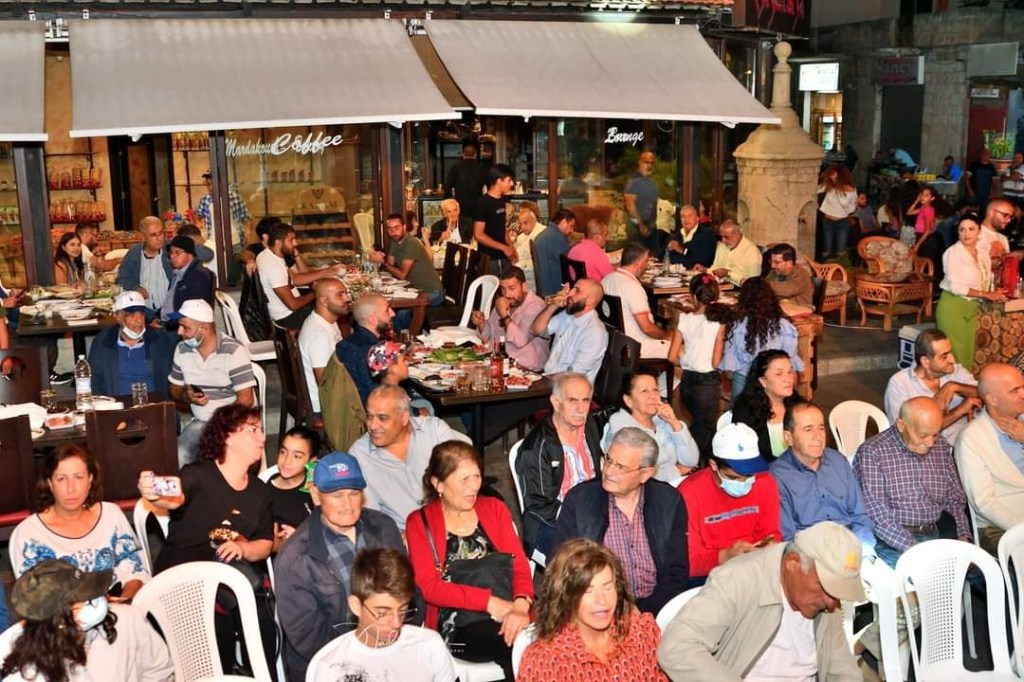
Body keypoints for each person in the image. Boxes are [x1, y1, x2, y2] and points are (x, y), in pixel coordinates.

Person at [657, 521, 865, 681]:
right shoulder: (737, 580)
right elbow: (677, 647)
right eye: (824, 587)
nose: (831, 603)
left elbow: (841, 668)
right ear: (792, 563)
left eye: (837, 592)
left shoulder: (825, 600)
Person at [274, 451, 407, 680]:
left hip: (391, 647)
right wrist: (368, 657)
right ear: (316, 496)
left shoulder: (383, 527)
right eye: (336, 495)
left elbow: (411, 594)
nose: (347, 505)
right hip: (331, 665)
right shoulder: (295, 558)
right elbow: (309, 638)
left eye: (354, 493)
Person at [405, 440, 534, 677]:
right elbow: (429, 587)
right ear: (438, 484)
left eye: (476, 476)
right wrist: (489, 602)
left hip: (509, 609)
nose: (474, 486)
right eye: (464, 479)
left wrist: (520, 606)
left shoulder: (494, 508)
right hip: (457, 627)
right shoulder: (419, 523)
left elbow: (519, 566)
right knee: (516, 643)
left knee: (545, 636)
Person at [552, 427, 688, 615]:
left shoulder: (669, 501)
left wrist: (645, 613)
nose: (609, 471)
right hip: (599, 609)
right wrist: (616, 610)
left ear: (645, 474)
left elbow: (676, 573)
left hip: (658, 608)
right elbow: (562, 565)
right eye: (608, 460)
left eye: (621, 467)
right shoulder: (580, 500)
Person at [10, 445, 149, 600]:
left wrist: (123, 600)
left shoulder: (111, 515)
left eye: (78, 477)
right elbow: (34, 599)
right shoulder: (29, 534)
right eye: (61, 479)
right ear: (49, 483)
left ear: (90, 480)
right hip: (62, 614)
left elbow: (135, 571)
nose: (71, 489)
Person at [518, 539, 668, 682]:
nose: (602, 601)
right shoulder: (545, 661)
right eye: (588, 591)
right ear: (567, 596)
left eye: (607, 587)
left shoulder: (640, 632)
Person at [1, 559, 173, 682]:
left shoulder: (128, 620)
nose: (99, 598)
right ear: (59, 618)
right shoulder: (20, 665)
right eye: (84, 599)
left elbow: (159, 671)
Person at [306, 547, 457, 682]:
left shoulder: (430, 645)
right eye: (382, 613)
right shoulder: (330, 666)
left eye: (403, 610)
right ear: (356, 606)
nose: (396, 623)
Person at [854, 397, 972, 568]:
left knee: (984, 573)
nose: (931, 443)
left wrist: (963, 537)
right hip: (891, 541)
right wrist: (917, 551)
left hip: (935, 534)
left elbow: (954, 499)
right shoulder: (873, 452)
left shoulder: (940, 447)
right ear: (901, 425)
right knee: (927, 577)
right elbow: (879, 517)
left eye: (935, 434)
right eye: (923, 435)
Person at [349, 386, 471, 531]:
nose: (373, 426)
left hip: (451, 524)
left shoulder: (434, 431)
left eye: (382, 418)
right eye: (369, 417)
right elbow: (372, 518)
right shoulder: (360, 456)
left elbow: (460, 484)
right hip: (402, 536)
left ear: (404, 417)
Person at [515, 372, 605, 558]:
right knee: (590, 557)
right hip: (551, 523)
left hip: (592, 509)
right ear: (556, 403)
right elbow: (539, 505)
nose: (581, 409)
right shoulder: (537, 447)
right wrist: (579, 516)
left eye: (586, 400)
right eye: (573, 401)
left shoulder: (590, 426)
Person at [678, 423, 781, 582]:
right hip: (709, 575)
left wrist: (770, 545)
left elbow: (771, 533)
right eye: (733, 477)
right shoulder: (689, 493)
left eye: (749, 475)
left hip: (756, 566)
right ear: (713, 465)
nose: (743, 482)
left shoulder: (765, 481)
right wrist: (725, 556)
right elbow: (687, 562)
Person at [769, 401, 876, 550]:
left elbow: (860, 516)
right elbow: (787, 537)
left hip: (851, 545)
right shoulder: (778, 476)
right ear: (789, 437)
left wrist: (864, 549)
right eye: (808, 429)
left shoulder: (838, 461)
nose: (818, 436)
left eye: (821, 428)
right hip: (810, 553)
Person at [168, 299, 255, 466]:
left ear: (203, 329)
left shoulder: (233, 351)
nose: (179, 331)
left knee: (224, 460)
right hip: (201, 422)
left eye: (185, 327)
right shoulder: (182, 349)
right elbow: (174, 387)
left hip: (232, 423)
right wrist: (186, 396)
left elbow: (246, 399)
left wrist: (219, 426)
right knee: (178, 454)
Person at [954, 362, 1024, 554]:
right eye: (1015, 391)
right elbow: (984, 503)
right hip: (999, 527)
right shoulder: (971, 439)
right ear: (992, 399)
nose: (1023, 394)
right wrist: (1021, 528)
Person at [883, 327, 980, 443]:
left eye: (950, 352)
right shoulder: (900, 383)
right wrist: (961, 410)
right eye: (944, 357)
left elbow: (986, 393)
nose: (952, 360)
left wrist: (954, 386)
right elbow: (908, 432)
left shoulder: (956, 371)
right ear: (925, 362)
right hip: (927, 449)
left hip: (967, 442)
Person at [936, 213, 1007, 367]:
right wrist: (986, 294)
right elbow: (955, 286)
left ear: (979, 231)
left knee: (968, 356)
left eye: (971, 229)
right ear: (957, 233)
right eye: (962, 230)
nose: (966, 234)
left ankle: (962, 383)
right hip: (953, 306)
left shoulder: (983, 254)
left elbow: (983, 280)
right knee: (956, 357)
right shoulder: (953, 253)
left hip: (972, 307)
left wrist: (995, 294)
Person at [600, 371, 698, 481]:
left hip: (676, 483)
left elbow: (691, 461)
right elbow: (636, 475)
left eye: (655, 390)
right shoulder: (622, 432)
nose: (653, 396)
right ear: (628, 400)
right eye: (644, 391)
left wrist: (674, 423)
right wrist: (677, 471)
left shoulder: (664, 420)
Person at [720, 277, 803, 400]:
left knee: (741, 411)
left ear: (743, 300)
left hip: (743, 378)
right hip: (774, 380)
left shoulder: (737, 325)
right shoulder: (783, 326)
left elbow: (730, 365)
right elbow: (790, 359)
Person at [677, 274, 731, 462]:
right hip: (707, 384)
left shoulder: (684, 319)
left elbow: (671, 356)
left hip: (686, 382)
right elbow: (716, 363)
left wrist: (688, 361)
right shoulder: (718, 324)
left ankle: (703, 463)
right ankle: (688, 463)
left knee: (699, 424)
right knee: (703, 429)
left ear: (693, 297)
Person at [602, 242, 681, 362]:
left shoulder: (606, 279)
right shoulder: (632, 287)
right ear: (638, 264)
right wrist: (667, 335)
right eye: (646, 261)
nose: (647, 265)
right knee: (680, 347)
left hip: (613, 341)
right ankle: (667, 374)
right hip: (635, 344)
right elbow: (647, 328)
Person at [87, 290, 174, 398]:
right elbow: (93, 379)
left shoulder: (158, 340)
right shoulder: (104, 341)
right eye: (132, 316)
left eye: (141, 315)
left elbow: (169, 381)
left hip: (151, 403)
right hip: (115, 404)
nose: (139, 321)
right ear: (118, 317)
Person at [256, 222, 342, 329]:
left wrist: (327, 271)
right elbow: (293, 305)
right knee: (336, 308)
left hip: (291, 308)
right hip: (288, 317)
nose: (296, 243)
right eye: (291, 240)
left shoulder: (268, 254)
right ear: (278, 242)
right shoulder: (272, 266)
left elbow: (295, 279)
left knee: (332, 299)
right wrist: (316, 292)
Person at [470, 265, 549, 372]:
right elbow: (488, 336)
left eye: (512, 288)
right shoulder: (503, 302)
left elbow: (520, 341)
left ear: (524, 286)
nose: (507, 294)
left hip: (526, 368)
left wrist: (504, 315)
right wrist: (481, 323)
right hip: (499, 363)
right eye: (503, 289)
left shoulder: (536, 306)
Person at [335, 293, 408, 405]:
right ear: (372, 319)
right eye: (387, 310)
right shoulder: (372, 352)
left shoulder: (346, 343)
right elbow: (375, 398)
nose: (393, 314)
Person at [531, 278, 608, 383]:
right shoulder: (568, 315)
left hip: (568, 387)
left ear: (591, 300)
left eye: (577, 291)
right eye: (572, 289)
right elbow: (536, 330)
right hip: (550, 378)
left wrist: (542, 381)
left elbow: (574, 373)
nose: (570, 293)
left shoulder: (595, 332)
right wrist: (553, 305)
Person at [732, 349, 797, 462]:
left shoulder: (798, 405)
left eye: (790, 372)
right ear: (762, 381)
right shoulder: (746, 409)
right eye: (779, 374)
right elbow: (744, 453)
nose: (788, 379)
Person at [298, 277, 349, 417]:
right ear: (324, 301)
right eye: (340, 295)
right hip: (324, 406)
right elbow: (326, 383)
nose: (347, 298)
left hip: (334, 391)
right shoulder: (319, 335)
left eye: (346, 293)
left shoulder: (327, 320)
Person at [370, 213, 444, 306]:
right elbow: (390, 265)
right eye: (390, 229)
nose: (393, 232)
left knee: (399, 311)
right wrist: (380, 257)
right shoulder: (395, 240)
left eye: (397, 228)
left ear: (404, 227)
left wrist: (383, 261)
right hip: (414, 289)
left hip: (431, 292)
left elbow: (402, 275)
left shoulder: (411, 243)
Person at [267, 426, 319, 552]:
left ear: (312, 460)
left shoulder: (316, 487)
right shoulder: (266, 493)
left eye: (297, 456)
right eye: (283, 452)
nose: (287, 461)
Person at [115, 216, 173, 317]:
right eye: (153, 235)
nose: (159, 238)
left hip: (171, 312)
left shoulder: (172, 249)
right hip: (145, 314)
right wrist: (135, 288)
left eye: (161, 233)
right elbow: (122, 279)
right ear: (143, 236)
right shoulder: (134, 253)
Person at [158, 234, 215, 325]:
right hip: (167, 321)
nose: (172, 256)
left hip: (179, 326)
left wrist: (168, 324)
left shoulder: (198, 276)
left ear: (190, 254)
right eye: (171, 253)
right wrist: (157, 317)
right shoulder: (179, 273)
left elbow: (191, 313)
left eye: (177, 253)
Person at [473, 163, 517, 275]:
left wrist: (511, 247)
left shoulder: (501, 199)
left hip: (503, 257)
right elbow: (478, 234)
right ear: (499, 181)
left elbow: (501, 227)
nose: (512, 184)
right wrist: (504, 248)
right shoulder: (483, 203)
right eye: (509, 180)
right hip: (489, 259)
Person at [699, 220, 761, 285]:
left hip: (741, 288)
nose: (723, 240)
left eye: (726, 237)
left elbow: (754, 283)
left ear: (737, 234)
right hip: (719, 286)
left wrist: (729, 274)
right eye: (721, 237)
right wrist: (705, 270)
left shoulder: (752, 252)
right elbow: (715, 268)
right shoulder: (722, 246)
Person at [533, 208, 577, 297]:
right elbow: (570, 261)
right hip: (555, 289)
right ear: (564, 222)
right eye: (571, 226)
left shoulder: (545, 235)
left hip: (543, 287)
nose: (572, 230)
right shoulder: (557, 239)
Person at [623, 150, 661, 252]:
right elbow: (630, 205)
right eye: (646, 162)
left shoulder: (651, 182)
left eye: (651, 163)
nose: (649, 165)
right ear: (640, 162)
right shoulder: (633, 182)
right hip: (637, 228)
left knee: (654, 256)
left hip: (651, 227)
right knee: (636, 256)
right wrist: (641, 225)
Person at [818, 163, 858, 259]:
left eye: (833, 174)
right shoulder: (829, 186)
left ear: (841, 175)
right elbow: (815, 190)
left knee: (841, 249)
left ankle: (840, 266)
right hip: (828, 221)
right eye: (830, 174)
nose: (831, 177)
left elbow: (853, 207)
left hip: (842, 222)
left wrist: (846, 207)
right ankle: (826, 265)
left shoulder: (851, 190)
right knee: (827, 248)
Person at [666, 204, 716, 269]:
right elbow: (666, 256)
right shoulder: (676, 235)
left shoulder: (706, 234)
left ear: (697, 218)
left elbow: (704, 260)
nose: (686, 219)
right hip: (676, 272)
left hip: (697, 273)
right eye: (683, 217)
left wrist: (683, 250)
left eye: (690, 216)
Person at [764, 242, 814, 307]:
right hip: (780, 308)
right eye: (772, 262)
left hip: (800, 309)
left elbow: (787, 290)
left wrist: (763, 285)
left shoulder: (801, 274)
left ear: (789, 262)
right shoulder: (775, 271)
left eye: (777, 262)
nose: (772, 265)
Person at [446, 142, 487, 216]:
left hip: (460, 203)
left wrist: (448, 201)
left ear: (463, 154)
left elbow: (448, 185)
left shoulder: (455, 167)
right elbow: (489, 185)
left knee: (462, 222)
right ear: (475, 155)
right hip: (477, 203)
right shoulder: (481, 168)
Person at [511, 201, 544, 291]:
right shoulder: (523, 234)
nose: (522, 227)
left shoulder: (539, 234)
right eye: (520, 224)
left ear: (533, 218)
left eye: (525, 223)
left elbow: (516, 256)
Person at [905, 186, 937, 251]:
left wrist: (917, 245)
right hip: (923, 237)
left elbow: (927, 230)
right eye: (922, 194)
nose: (923, 197)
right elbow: (908, 212)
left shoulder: (927, 210)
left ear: (932, 198)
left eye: (926, 195)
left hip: (925, 238)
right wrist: (916, 201)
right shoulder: (924, 208)